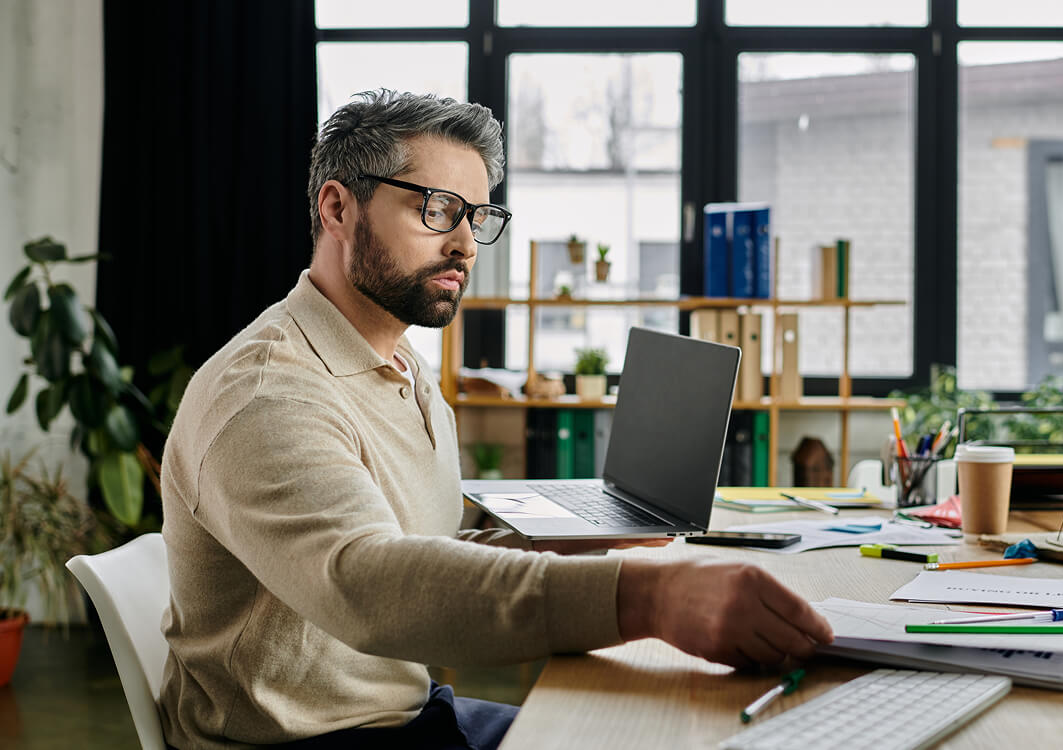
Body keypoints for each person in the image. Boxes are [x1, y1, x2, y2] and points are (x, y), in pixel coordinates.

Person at [157, 89, 833, 750]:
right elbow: (366, 584)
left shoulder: (404, 368)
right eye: (436, 209)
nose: (465, 244)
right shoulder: (267, 394)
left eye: (476, 216)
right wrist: (649, 597)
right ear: (338, 207)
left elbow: (423, 554)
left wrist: (574, 553)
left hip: (404, 712)